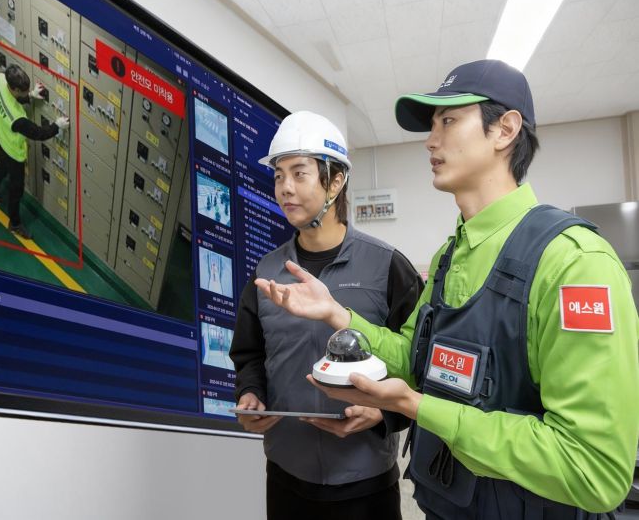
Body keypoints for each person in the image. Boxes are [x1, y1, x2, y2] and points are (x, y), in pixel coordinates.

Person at [255, 61, 639, 519]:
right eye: (431, 126)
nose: (430, 140)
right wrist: (337, 315)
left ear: (505, 130)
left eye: (449, 121)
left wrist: (419, 408)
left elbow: (594, 470)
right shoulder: (449, 257)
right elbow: (416, 359)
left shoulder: (573, 263)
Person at [230, 111, 424, 520]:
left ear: (335, 181)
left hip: (366, 483)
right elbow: (250, 355)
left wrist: (383, 413)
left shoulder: (388, 266)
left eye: (299, 174)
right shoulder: (266, 273)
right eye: (279, 175)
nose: (285, 187)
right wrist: (250, 393)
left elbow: (421, 366)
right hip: (286, 478)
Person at [0, 64, 70, 239]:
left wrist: (30, 95)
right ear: (15, 89)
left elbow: (11, 98)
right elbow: (39, 133)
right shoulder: (17, 119)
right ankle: (15, 223)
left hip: (1, 134)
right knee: (16, 188)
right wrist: (57, 126)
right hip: (13, 150)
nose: (24, 93)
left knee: (1, 166)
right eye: (23, 92)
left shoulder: (0, 79)